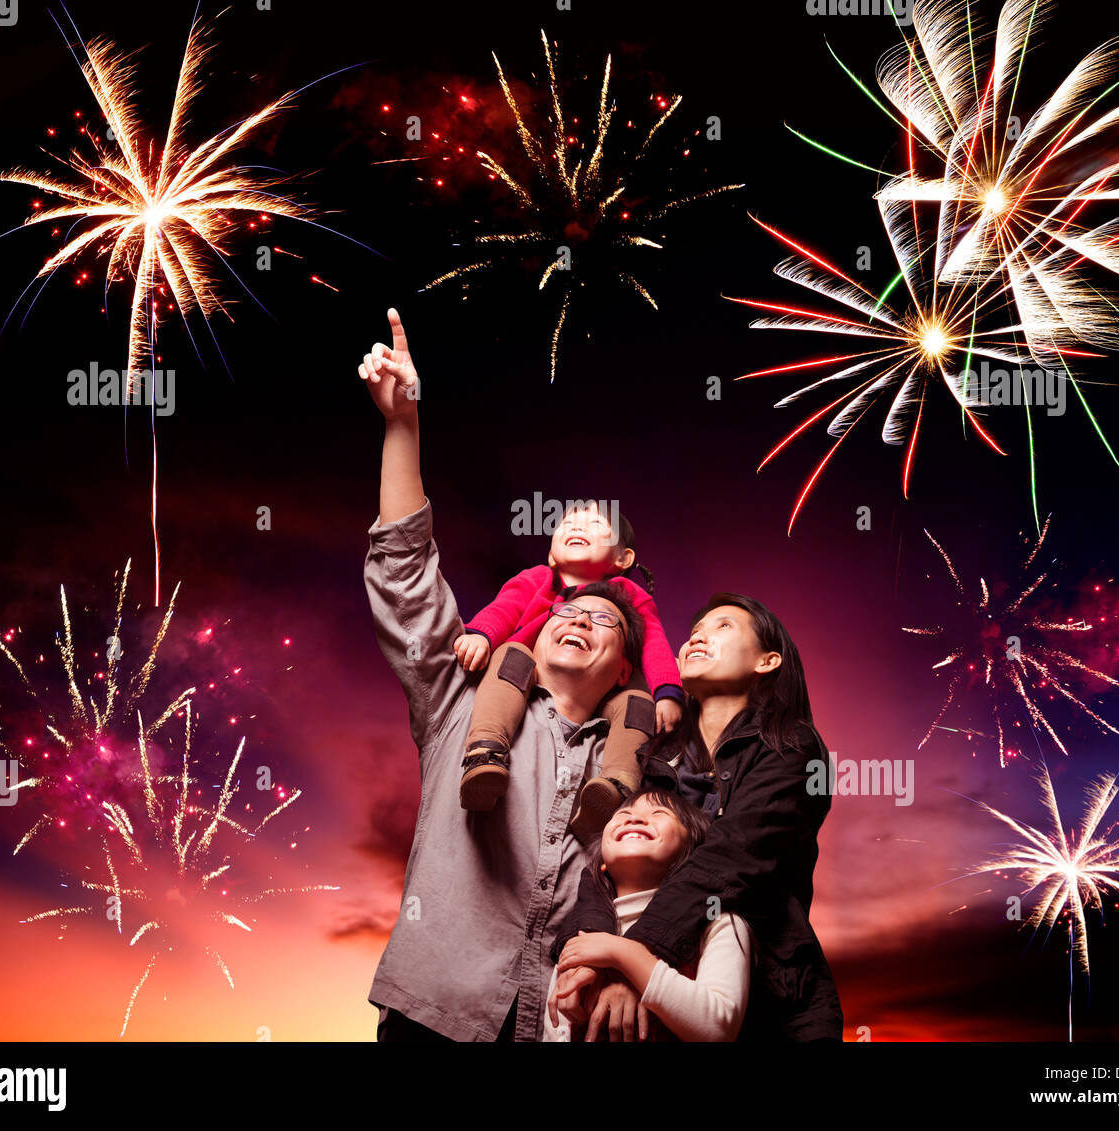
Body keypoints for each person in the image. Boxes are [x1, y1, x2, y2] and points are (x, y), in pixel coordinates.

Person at [357, 308, 646, 1041]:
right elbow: (406, 577)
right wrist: (402, 427)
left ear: (624, 669)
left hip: (557, 1028)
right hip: (432, 1015)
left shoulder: (642, 761)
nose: (582, 620)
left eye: (607, 621)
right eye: (568, 615)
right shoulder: (462, 702)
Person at [549, 594, 844, 1042]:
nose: (698, 636)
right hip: (665, 1000)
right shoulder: (657, 755)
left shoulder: (793, 747)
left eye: (723, 626)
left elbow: (731, 858)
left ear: (767, 661)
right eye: (695, 630)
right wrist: (585, 954)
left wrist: (632, 960)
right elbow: (603, 861)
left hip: (771, 1004)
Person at [455, 500, 684, 841]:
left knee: (636, 701)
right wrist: (481, 635)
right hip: (532, 675)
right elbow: (505, 607)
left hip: (604, 693)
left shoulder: (630, 594)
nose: (576, 527)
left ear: (623, 559)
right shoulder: (536, 579)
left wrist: (668, 691)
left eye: (594, 524)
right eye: (567, 523)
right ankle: (486, 752)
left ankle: (614, 788)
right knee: (512, 654)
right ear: (551, 554)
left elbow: (653, 643)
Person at [543, 789, 752, 1042]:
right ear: (602, 864)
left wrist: (625, 954)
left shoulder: (718, 922)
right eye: (623, 814)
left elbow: (718, 1028)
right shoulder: (580, 934)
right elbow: (557, 1028)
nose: (634, 819)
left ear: (693, 856)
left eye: (659, 813)